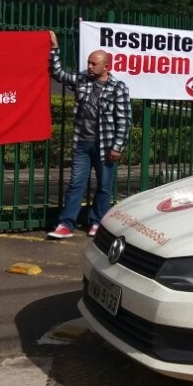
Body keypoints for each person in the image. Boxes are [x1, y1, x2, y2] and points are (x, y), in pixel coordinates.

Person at [47, 31, 132, 238]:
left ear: (106, 66)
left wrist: (117, 146)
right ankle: (66, 224)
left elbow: (124, 119)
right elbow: (58, 73)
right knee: (76, 183)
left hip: (105, 146)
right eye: (89, 62)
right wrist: (54, 48)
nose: (90, 66)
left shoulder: (117, 88)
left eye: (94, 63)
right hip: (82, 144)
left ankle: (96, 222)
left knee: (104, 186)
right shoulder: (81, 79)